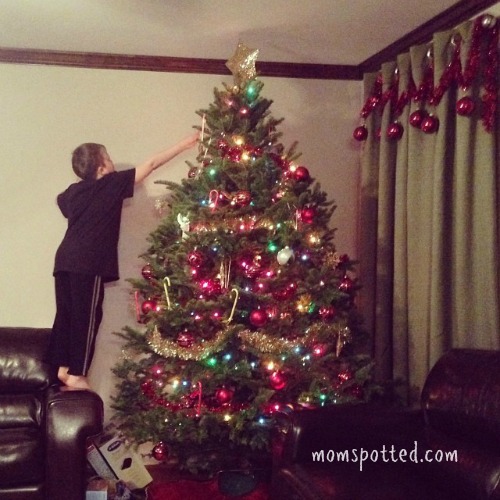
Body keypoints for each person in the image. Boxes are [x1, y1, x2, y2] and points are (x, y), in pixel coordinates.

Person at [47, 133, 198, 389]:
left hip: (64, 260)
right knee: (87, 317)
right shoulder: (111, 183)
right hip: (87, 262)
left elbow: (60, 201)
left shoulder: (73, 192)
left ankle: (62, 367)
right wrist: (186, 143)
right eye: (108, 158)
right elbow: (150, 165)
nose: (113, 162)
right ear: (101, 167)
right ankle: (76, 374)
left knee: (67, 314)